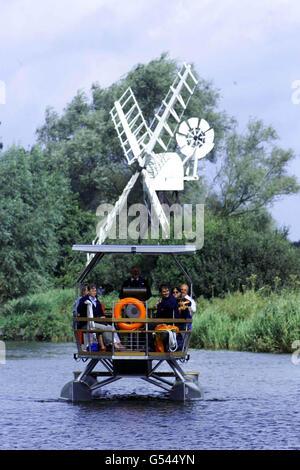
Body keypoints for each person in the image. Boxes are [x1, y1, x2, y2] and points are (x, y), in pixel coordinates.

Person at [77, 283, 125, 350]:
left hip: (97, 322)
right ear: (89, 291)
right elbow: (80, 310)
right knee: (107, 328)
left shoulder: (97, 301)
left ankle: (111, 345)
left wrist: (102, 316)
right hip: (87, 323)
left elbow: (101, 313)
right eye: (92, 290)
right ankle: (114, 344)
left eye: (95, 291)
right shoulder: (84, 300)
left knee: (110, 327)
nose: (94, 292)